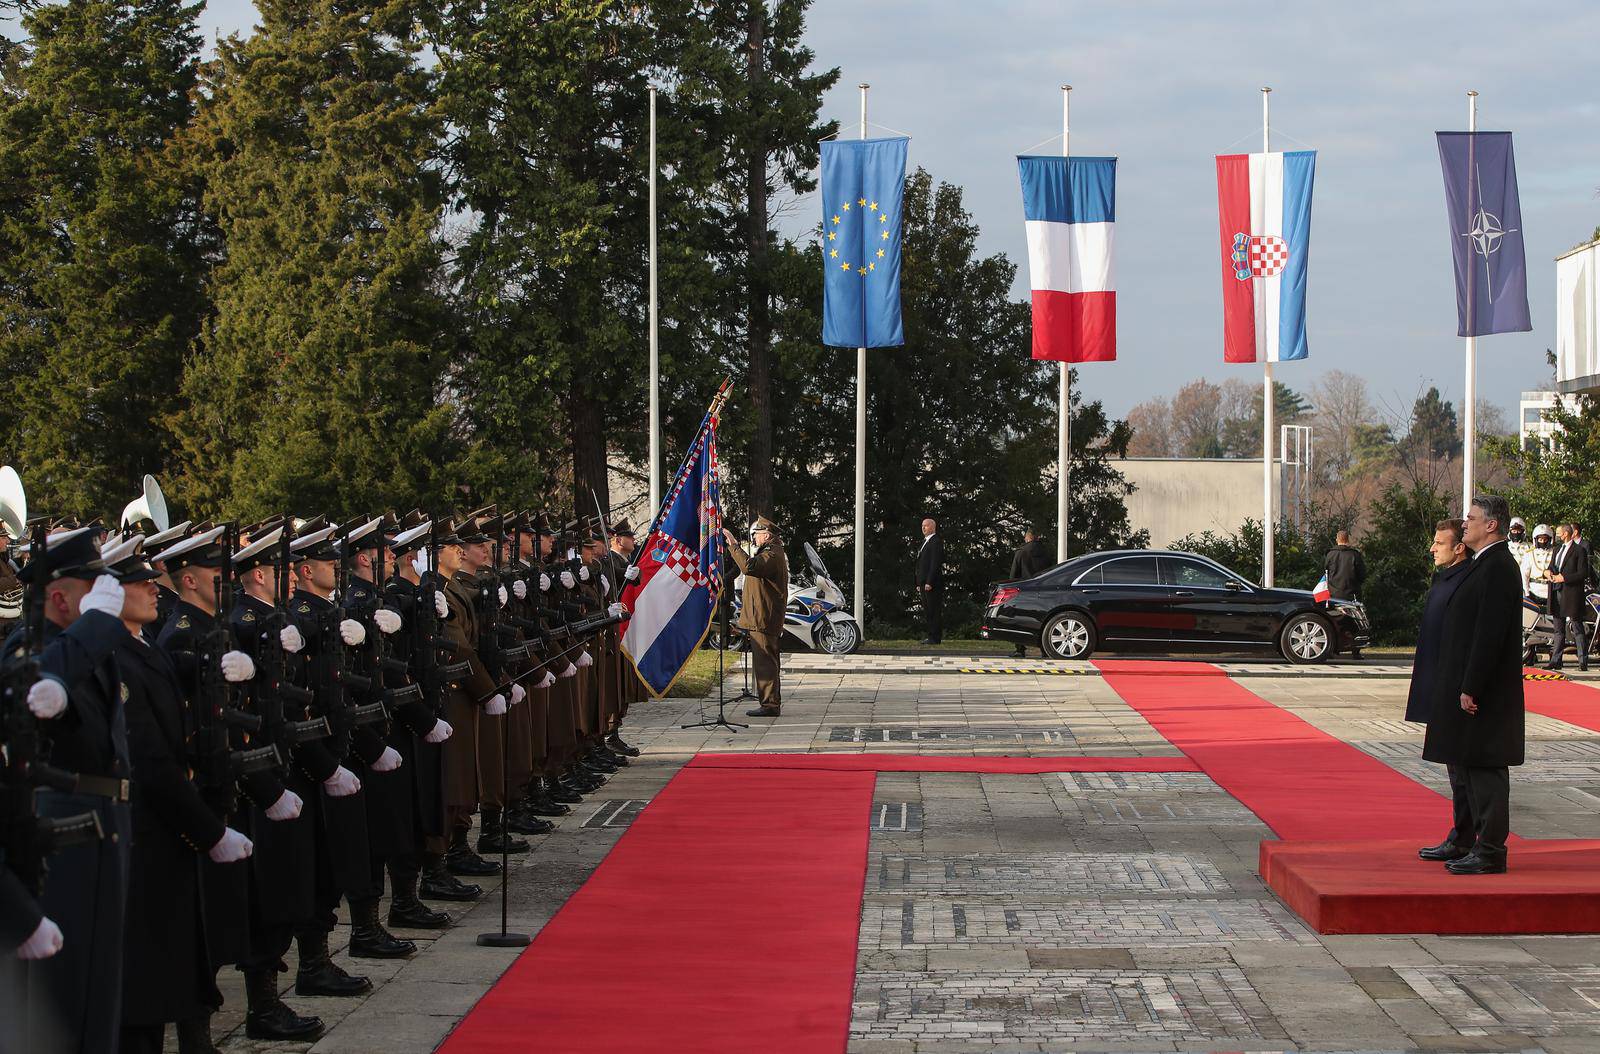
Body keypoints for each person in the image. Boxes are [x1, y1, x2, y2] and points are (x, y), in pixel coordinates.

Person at [1420, 494, 1524, 875]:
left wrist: (1472, 685)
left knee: (1486, 769)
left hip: (1486, 693)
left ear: (1491, 524)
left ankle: (1491, 850)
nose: (1466, 523)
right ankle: (1467, 839)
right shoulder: (1483, 565)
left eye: (1472, 517)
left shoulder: (1498, 566)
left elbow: (1489, 634)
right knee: (1466, 767)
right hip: (1467, 684)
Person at [1406, 519, 1470, 725]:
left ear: (1459, 548)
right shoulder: (1445, 579)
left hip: (1449, 684)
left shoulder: (1465, 581)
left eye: (1439, 543)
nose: (1433, 549)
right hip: (1436, 681)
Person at [723, 516, 788, 718]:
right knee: (766, 662)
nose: (754, 539)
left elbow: (749, 567)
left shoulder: (772, 554)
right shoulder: (771, 552)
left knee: (765, 663)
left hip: (764, 618)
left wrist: (734, 546)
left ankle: (769, 705)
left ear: (766, 535)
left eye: (756, 535)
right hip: (761, 616)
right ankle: (770, 702)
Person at [1545, 523, 1592, 672]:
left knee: (1577, 627)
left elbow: (1583, 573)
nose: (1557, 534)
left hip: (1571, 593)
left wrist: (1564, 578)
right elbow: (1552, 566)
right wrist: (1547, 572)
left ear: (1566, 533)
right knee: (1558, 629)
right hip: (1556, 591)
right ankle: (1556, 660)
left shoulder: (1579, 551)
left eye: (1559, 532)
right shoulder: (1557, 550)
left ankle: (1582, 660)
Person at [915, 517, 944, 645]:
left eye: (926, 526)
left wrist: (929, 582)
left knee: (933, 610)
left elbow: (934, 563)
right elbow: (920, 563)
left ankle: (935, 637)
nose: (923, 528)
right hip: (922, 582)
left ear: (932, 527)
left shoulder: (935, 541)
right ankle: (930, 635)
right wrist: (918, 582)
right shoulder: (924, 542)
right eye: (922, 526)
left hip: (931, 583)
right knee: (927, 611)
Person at [1323, 530, 1366, 601]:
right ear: (1348, 539)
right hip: (1352, 595)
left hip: (1333, 595)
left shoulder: (1330, 555)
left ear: (1337, 540)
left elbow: (1326, 573)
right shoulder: (1354, 555)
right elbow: (1362, 575)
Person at [1519, 523, 1555, 604]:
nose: (1543, 541)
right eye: (1540, 539)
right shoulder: (1529, 554)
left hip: (1551, 591)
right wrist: (1527, 593)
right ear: (1536, 539)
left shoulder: (1555, 552)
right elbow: (1524, 575)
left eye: (1545, 539)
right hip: (1535, 591)